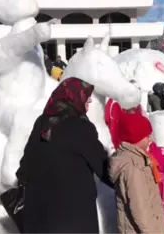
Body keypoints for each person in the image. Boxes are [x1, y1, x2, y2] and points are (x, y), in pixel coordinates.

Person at [17, 77, 112, 234]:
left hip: (39, 213)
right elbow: (104, 168)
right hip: (71, 215)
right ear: (73, 97)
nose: (89, 100)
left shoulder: (42, 123)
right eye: (85, 96)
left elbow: (25, 165)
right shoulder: (80, 127)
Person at [109, 112, 164, 234]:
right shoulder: (133, 166)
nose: (150, 139)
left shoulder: (137, 158)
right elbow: (139, 207)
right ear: (136, 138)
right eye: (147, 136)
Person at [105, 79, 143, 150]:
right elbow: (113, 126)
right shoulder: (115, 103)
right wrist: (116, 146)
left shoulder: (137, 105)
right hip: (121, 145)